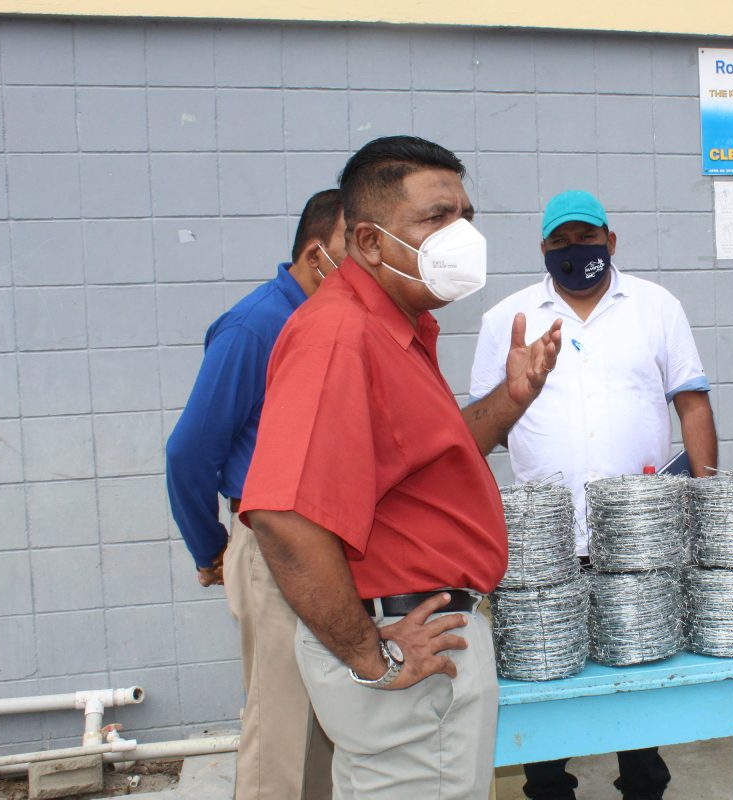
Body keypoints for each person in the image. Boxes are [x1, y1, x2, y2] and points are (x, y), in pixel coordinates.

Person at [239, 135, 563, 800]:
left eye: (466, 216)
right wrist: (370, 656)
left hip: (427, 643)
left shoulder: (399, 329)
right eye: (436, 217)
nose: (461, 234)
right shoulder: (339, 336)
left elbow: (430, 463)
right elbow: (279, 514)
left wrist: (512, 398)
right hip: (407, 651)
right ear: (370, 241)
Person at [469, 189, 718, 800]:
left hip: (638, 535)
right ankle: (550, 787)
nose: (573, 250)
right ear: (543, 248)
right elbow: (478, 427)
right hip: (544, 540)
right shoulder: (508, 318)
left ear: (611, 241)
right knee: (545, 672)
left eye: (585, 237)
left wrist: (707, 500)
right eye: (559, 241)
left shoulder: (656, 307)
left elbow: (692, 402)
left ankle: (642, 782)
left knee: (638, 666)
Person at [165, 189, 346, 800]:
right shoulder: (255, 325)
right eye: (359, 246)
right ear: (319, 252)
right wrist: (209, 547)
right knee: (280, 731)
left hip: (332, 544)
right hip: (272, 544)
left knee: (330, 726)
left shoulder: (336, 325)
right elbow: (189, 451)